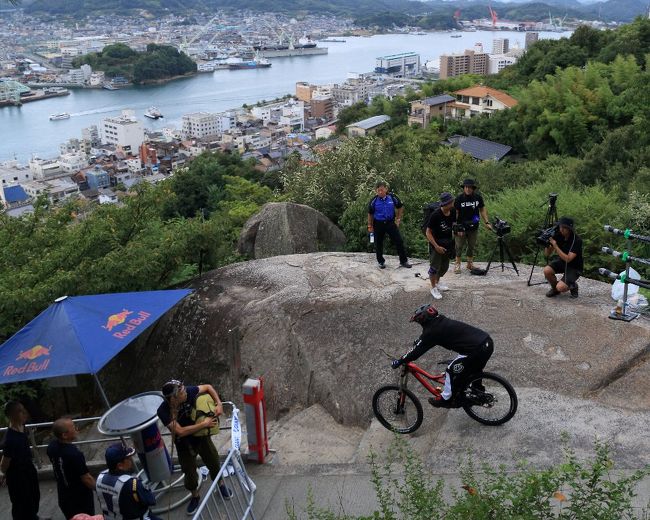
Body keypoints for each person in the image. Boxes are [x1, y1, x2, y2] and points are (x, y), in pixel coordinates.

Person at [391, 304, 494, 407]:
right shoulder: (440, 321)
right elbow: (425, 338)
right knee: (472, 371)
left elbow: (415, 352)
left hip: (476, 350)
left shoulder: (432, 331)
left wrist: (400, 361)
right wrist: (420, 341)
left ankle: (445, 400)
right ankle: (478, 393)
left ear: (423, 320)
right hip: (487, 342)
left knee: (451, 370)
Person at [156, 380, 232, 515]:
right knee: (189, 472)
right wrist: (204, 424)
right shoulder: (163, 411)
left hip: (201, 437)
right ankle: (195, 496)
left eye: (184, 389)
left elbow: (208, 387)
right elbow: (180, 431)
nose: (185, 392)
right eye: (181, 392)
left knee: (214, 462)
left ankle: (220, 485)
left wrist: (218, 403)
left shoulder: (189, 392)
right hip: (183, 443)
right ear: (173, 398)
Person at [0, 400, 43, 520]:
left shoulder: (22, 427)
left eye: (23, 410)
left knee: (34, 496)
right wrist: (2, 473)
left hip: (28, 469)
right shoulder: (10, 439)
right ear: (13, 415)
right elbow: (5, 461)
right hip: (17, 476)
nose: (25, 413)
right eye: (21, 411)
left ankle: (33, 516)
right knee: (21, 503)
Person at [96, 443, 162, 520]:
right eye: (128, 458)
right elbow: (151, 500)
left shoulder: (100, 478)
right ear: (120, 465)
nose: (131, 459)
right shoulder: (133, 484)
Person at [47, 417, 96, 519]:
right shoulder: (74, 454)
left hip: (63, 496)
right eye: (73, 427)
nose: (76, 429)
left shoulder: (51, 447)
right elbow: (86, 478)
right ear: (64, 435)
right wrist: (100, 489)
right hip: (80, 500)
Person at [367, 181, 412, 269]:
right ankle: (381, 262)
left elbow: (400, 206)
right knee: (378, 243)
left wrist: (398, 219)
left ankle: (403, 261)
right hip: (378, 224)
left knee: (399, 241)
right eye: (378, 190)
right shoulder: (374, 201)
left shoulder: (392, 197)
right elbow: (370, 213)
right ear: (376, 191)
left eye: (382, 190)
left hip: (390, 223)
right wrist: (370, 225)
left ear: (386, 189)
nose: (380, 192)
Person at [454, 178, 492, 274]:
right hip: (461, 227)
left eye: (470, 187)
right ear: (464, 188)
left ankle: (469, 263)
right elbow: (455, 213)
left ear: (473, 188)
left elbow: (482, 209)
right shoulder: (459, 199)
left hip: (474, 226)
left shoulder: (478, 198)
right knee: (459, 246)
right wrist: (455, 225)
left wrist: (487, 222)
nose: (467, 189)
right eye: (466, 187)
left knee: (471, 246)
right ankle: (457, 264)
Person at [425, 192, 456, 300]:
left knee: (444, 267)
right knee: (434, 268)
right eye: (451, 202)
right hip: (436, 244)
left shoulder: (452, 212)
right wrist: (436, 246)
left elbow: (453, 224)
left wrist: (458, 231)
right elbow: (428, 232)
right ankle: (433, 288)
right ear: (445, 204)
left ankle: (437, 282)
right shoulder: (436, 215)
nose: (452, 204)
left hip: (447, 243)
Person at [543, 216, 583, 298]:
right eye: (561, 227)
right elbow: (547, 254)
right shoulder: (559, 235)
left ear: (570, 229)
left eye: (564, 228)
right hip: (562, 262)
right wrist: (547, 244)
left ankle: (573, 286)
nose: (561, 229)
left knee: (561, 287)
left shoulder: (577, 240)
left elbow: (568, 259)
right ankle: (555, 289)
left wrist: (555, 245)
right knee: (547, 270)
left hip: (574, 267)